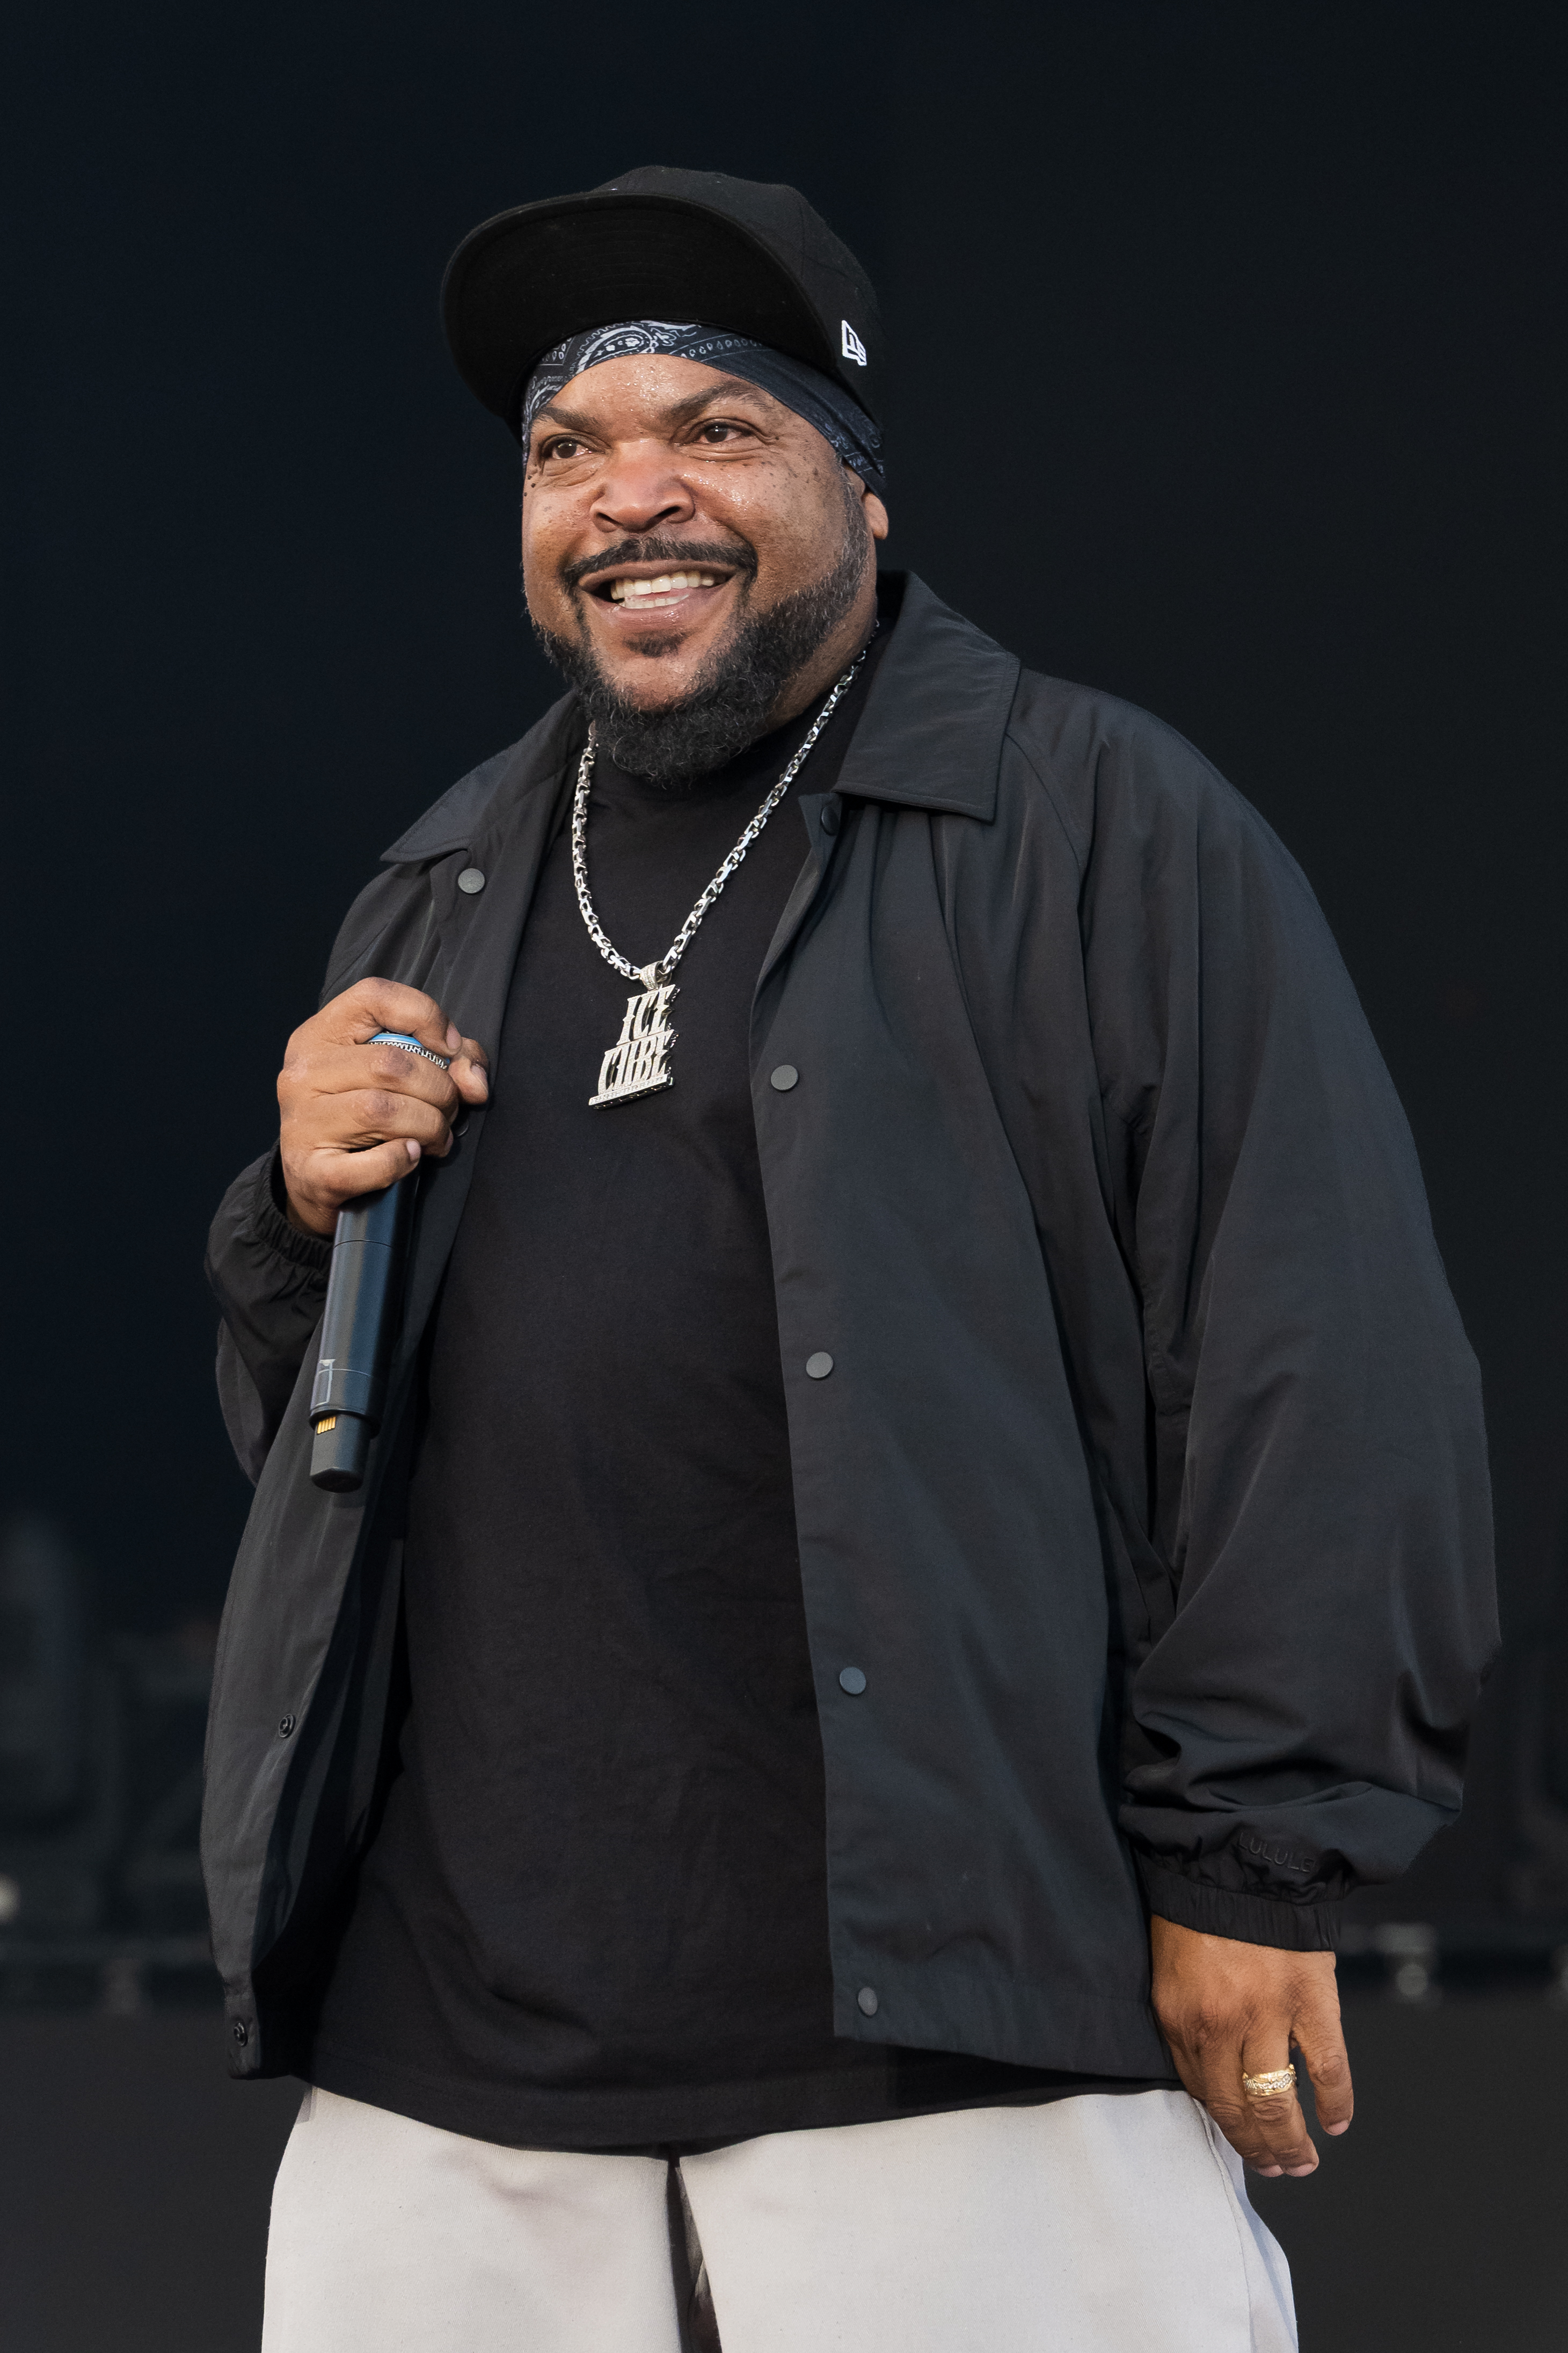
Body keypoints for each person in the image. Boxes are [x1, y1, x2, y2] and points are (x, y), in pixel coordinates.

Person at [202, 166, 1497, 2352]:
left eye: (715, 430)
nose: (631, 494)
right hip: (464, 2048)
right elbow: (332, 1478)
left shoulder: (1092, 825)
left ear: (861, 492)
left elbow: (1316, 1353)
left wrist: (1251, 1867)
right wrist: (292, 1215)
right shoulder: (428, 892)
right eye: (565, 449)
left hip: (949, 2010)